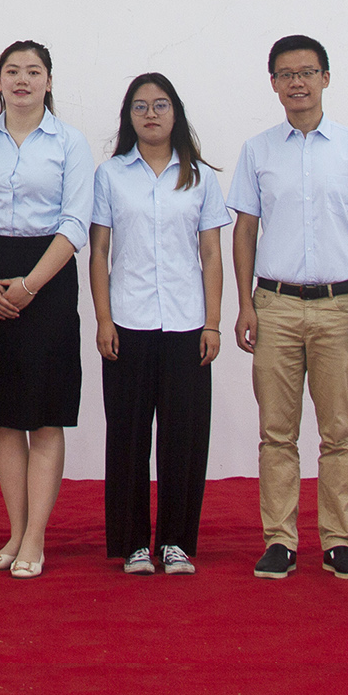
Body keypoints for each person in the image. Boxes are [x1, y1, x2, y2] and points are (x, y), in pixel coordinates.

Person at [228, 34, 348, 581]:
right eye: (286, 74)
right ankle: (280, 540)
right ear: (273, 83)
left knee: (339, 432)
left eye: (307, 72)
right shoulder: (258, 150)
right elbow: (245, 230)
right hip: (274, 305)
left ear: (326, 78)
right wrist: (245, 303)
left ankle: (338, 541)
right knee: (276, 432)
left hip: (340, 305)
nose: (297, 82)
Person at [0, 40, 94, 580]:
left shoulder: (70, 142)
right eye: (12, 71)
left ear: (49, 81)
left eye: (33, 72)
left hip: (48, 278)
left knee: (45, 415)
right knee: (4, 416)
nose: (22, 80)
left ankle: (36, 537)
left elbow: (75, 222)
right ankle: (14, 534)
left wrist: (30, 286)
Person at [90, 72, 227, 576]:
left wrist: (213, 323)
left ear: (176, 113)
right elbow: (99, 253)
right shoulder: (110, 175)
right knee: (127, 436)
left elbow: (210, 254)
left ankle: (174, 541)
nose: (151, 114)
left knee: (184, 437)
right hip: (128, 322)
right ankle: (132, 544)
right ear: (128, 116)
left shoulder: (200, 177)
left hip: (187, 324)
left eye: (161, 104)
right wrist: (104, 319)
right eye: (141, 106)